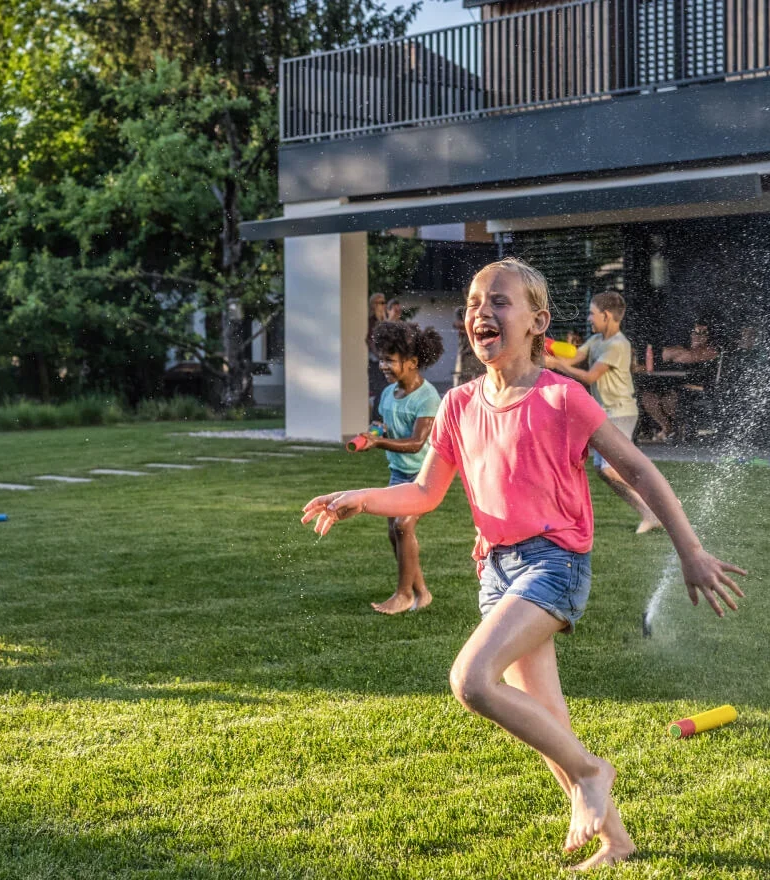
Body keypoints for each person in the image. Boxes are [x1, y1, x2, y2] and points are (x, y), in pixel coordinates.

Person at [302, 258, 746, 871]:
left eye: (500, 301)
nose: (482, 310)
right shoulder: (459, 404)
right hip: (496, 570)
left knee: (470, 681)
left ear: (538, 321)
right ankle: (617, 840)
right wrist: (362, 498)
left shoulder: (563, 397)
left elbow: (640, 470)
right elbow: (426, 493)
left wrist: (690, 551)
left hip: (553, 563)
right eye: (474, 302)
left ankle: (594, 772)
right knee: (546, 724)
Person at [545, 292, 662, 534]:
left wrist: (556, 365)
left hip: (620, 412)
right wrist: (546, 343)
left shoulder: (619, 344)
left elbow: (590, 376)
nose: (589, 318)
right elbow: (575, 355)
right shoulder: (597, 339)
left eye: (592, 313)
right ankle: (650, 513)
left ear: (606, 316)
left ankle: (663, 501)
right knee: (604, 470)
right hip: (605, 412)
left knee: (612, 468)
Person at [361, 321, 445, 615]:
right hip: (399, 474)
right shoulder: (387, 394)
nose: (383, 365)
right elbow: (380, 425)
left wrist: (378, 444)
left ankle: (403, 594)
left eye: (390, 360)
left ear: (411, 363)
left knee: (403, 525)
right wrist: (373, 433)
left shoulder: (428, 397)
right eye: (382, 358)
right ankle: (421, 591)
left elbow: (416, 443)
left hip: (425, 476)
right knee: (394, 531)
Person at [640, 321, 720, 442]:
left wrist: (672, 355)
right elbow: (660, 361)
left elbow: (691, 358)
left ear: (708, 337)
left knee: (670, 400)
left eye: (703, 333)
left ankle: (683, 428)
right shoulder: (680, 350)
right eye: (696, 332)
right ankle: (667, 427)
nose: (698, 336)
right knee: (648, 398)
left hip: (696, 389)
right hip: (670, 385)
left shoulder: (711, 352)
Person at [452, 304, 486, 387]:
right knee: (462, 380)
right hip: (465, 353)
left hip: (479, 352)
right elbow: (456, 324)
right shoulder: (461, 310)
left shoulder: (482, 308)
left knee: (481, 380)